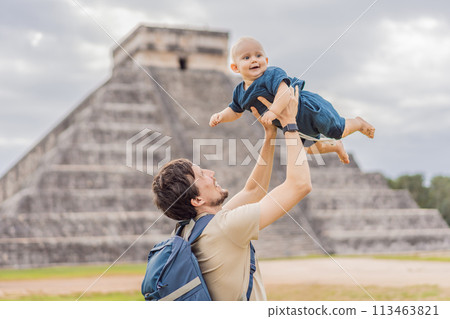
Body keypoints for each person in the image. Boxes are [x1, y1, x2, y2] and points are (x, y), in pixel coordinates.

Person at [152, 86, 311, 301]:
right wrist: (290, 124)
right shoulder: (226, 227)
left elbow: (254, 190)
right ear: (197, 199)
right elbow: (299, 185)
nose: (211, 173)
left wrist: (270, 135)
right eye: (202, 175)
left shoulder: (192, 229)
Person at [209, 37, 375, 164]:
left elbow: (285, 92)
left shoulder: (271, 74)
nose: (254, 60)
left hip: (309, 110)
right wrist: (221, 116)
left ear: (266, 61)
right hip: (292, 123)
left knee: (337, 129)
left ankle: (358, 123)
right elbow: (235, 111)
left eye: (258, 55)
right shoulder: (239, 92)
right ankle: (336, 147)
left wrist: (273, 111)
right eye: (246, 58)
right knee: (310, 149)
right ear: (235, 68)